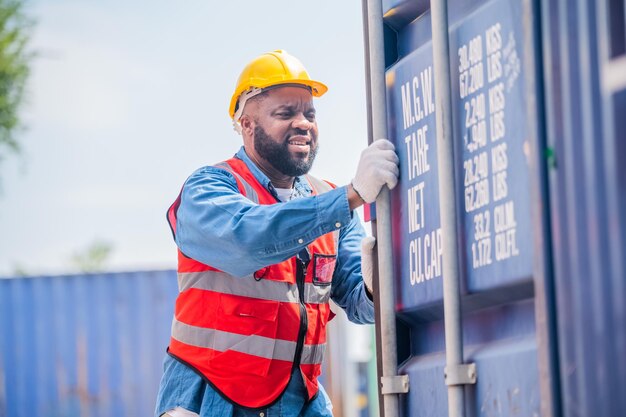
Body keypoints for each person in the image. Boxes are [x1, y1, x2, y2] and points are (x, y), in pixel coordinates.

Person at [155, 50, 399, 417]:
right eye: (285, 114)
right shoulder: (208, 189)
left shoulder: (328, 201)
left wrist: (375, 282)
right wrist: (350, 196)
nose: (303, 123)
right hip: (210, 399)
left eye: (310, 114)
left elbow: (360, 305)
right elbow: (248, 239)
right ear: (247, 125)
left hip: (299, 400)